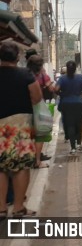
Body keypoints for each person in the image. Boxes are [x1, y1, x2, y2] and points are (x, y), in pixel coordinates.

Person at [0, 40, 42, 218]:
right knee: (21, 166)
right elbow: (37, 98)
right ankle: (18, 207)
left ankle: (1, 208)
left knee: (0, 168)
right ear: (17, 57)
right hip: (20, 127)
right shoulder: (25, 75)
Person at [54, 61, 82, 155]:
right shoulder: (81, 77)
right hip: (79, 103)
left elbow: (56, 89)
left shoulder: (62, 78)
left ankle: (73, 148)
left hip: (66, 104)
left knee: (70, 125)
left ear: (67, 68)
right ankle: (79, 144)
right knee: (78, 124)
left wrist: (61, 94)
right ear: (75, 68)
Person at [26, 54, 54, 168]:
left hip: (25, 107)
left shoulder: (24, 74)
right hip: (38, 107)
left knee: (28, 134)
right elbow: (50, 88)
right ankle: (37, 161)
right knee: (40, 134)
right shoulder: (42, 75)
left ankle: (28, 158)